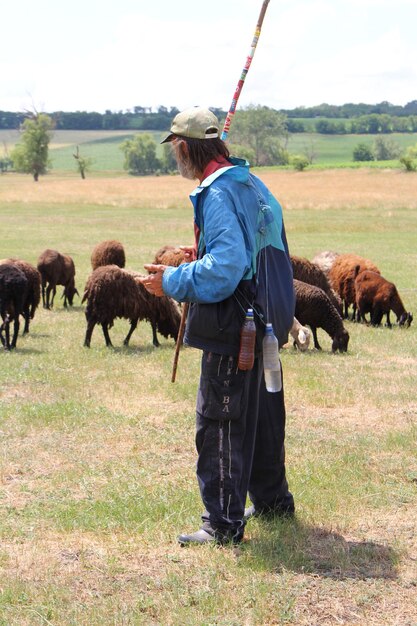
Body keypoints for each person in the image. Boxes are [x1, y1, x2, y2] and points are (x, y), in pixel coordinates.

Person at [140, 106, 295, 545]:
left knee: (221, 420)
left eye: (177, 152)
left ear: (185, 148)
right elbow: (254, 246)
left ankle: (223, 523)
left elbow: (227, 267)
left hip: (235, 326)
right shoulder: (250, 182)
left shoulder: (219, 193)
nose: (177, 160)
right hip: (265, 318)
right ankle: (272, 500)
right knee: (262, 417)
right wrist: (200, 255)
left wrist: (170, 280)